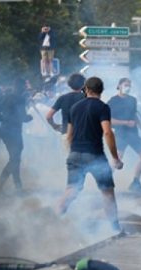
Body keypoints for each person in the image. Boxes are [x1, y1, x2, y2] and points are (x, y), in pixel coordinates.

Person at [56, 77, 124, 232]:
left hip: (75, 154)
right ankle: (115, 229)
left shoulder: (74, 107)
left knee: (71, 190)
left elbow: (69, 136)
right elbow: (107, 132)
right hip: (95, 155)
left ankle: (55, 218)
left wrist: (72, 154)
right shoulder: (102, 107)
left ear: (86, 89)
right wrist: (115, 158)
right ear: (101, 90)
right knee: (107, 192)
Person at [108, 78, 141, 194]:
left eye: (129, 85)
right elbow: (109, 120)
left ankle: (136, 183)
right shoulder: (113, 101)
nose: (128, 87)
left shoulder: (133, 100)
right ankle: (104, 183)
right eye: (126, 85)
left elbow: (134, 114)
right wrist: (125, 123)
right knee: (117, 161)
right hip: (121, 134)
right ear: (119, 86)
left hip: (133, 134)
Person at [0, 78, 33, 193]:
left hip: (4, 130)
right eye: (25, 86)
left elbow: (1, 112)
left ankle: (17, 186)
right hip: (14, 132)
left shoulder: (6, 96)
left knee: (15, 159)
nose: (26, 88)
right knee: (15, 159)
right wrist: (29, 118)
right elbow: (22, 117)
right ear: (21, 87)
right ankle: (0, 186)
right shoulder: (19, 98)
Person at [46, 73, 86, 149]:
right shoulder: (87, 98)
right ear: (83, 84)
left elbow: (48, 116)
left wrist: (55, 126)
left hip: (66, 134)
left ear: (69, 84)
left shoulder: (62, 98)